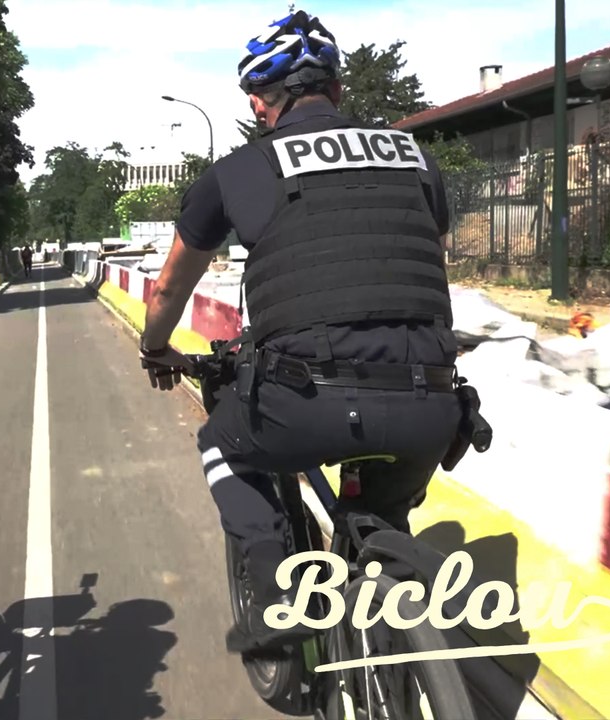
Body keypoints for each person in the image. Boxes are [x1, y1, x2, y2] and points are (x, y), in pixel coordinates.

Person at [138, 11, 463, 655]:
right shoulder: (414, 156)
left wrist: (155, 349)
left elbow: (171, 286)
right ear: (338, 90)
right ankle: (394, 628)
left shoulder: (238, 170)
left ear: (262, 101)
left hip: (306, 401)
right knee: (385, 504)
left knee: (221, 442)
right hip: (433, 398)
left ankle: (271, 588)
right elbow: (427, 260)